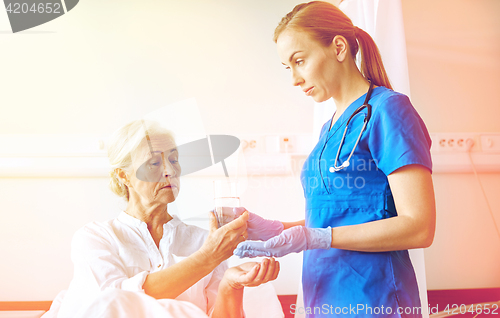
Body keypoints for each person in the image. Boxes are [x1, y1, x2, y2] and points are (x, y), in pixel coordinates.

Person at [234, 2, 435, 317]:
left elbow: (419, 227)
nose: (295, 80)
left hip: (374, 301)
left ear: (339, 47)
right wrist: (276, 229)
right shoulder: (329, 128)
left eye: (299, 61)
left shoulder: (388, 111)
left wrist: (316, 236)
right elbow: (340, 219)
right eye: (288, 67)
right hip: (325, 299)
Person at [55, 120, 280, 318]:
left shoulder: (205, 241)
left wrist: (231, 284)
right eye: (154, 163)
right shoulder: (96, 238)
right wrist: (208, 257)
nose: (169, 170)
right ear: (124, 176)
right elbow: (113, 305)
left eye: (173, 160)